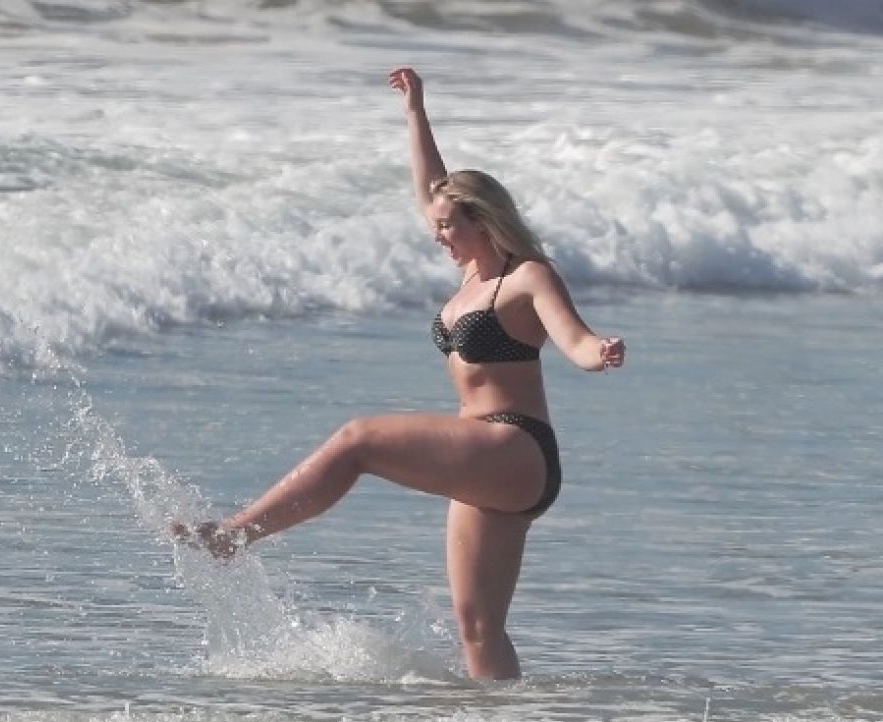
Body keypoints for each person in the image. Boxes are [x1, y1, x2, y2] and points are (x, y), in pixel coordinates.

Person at [171, 67, 625, 680]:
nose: (437, 235)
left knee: (358, 440)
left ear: (483, 219)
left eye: (448, 226)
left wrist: (600, 351)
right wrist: (415, 112)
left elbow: (573, 338)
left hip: (513, 446)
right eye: (436, 225)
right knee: (479, 629)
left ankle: (234, 536)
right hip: (486, 462)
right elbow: (432, 188)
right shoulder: (469, 272)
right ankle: (501, 713)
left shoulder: (527, 277)